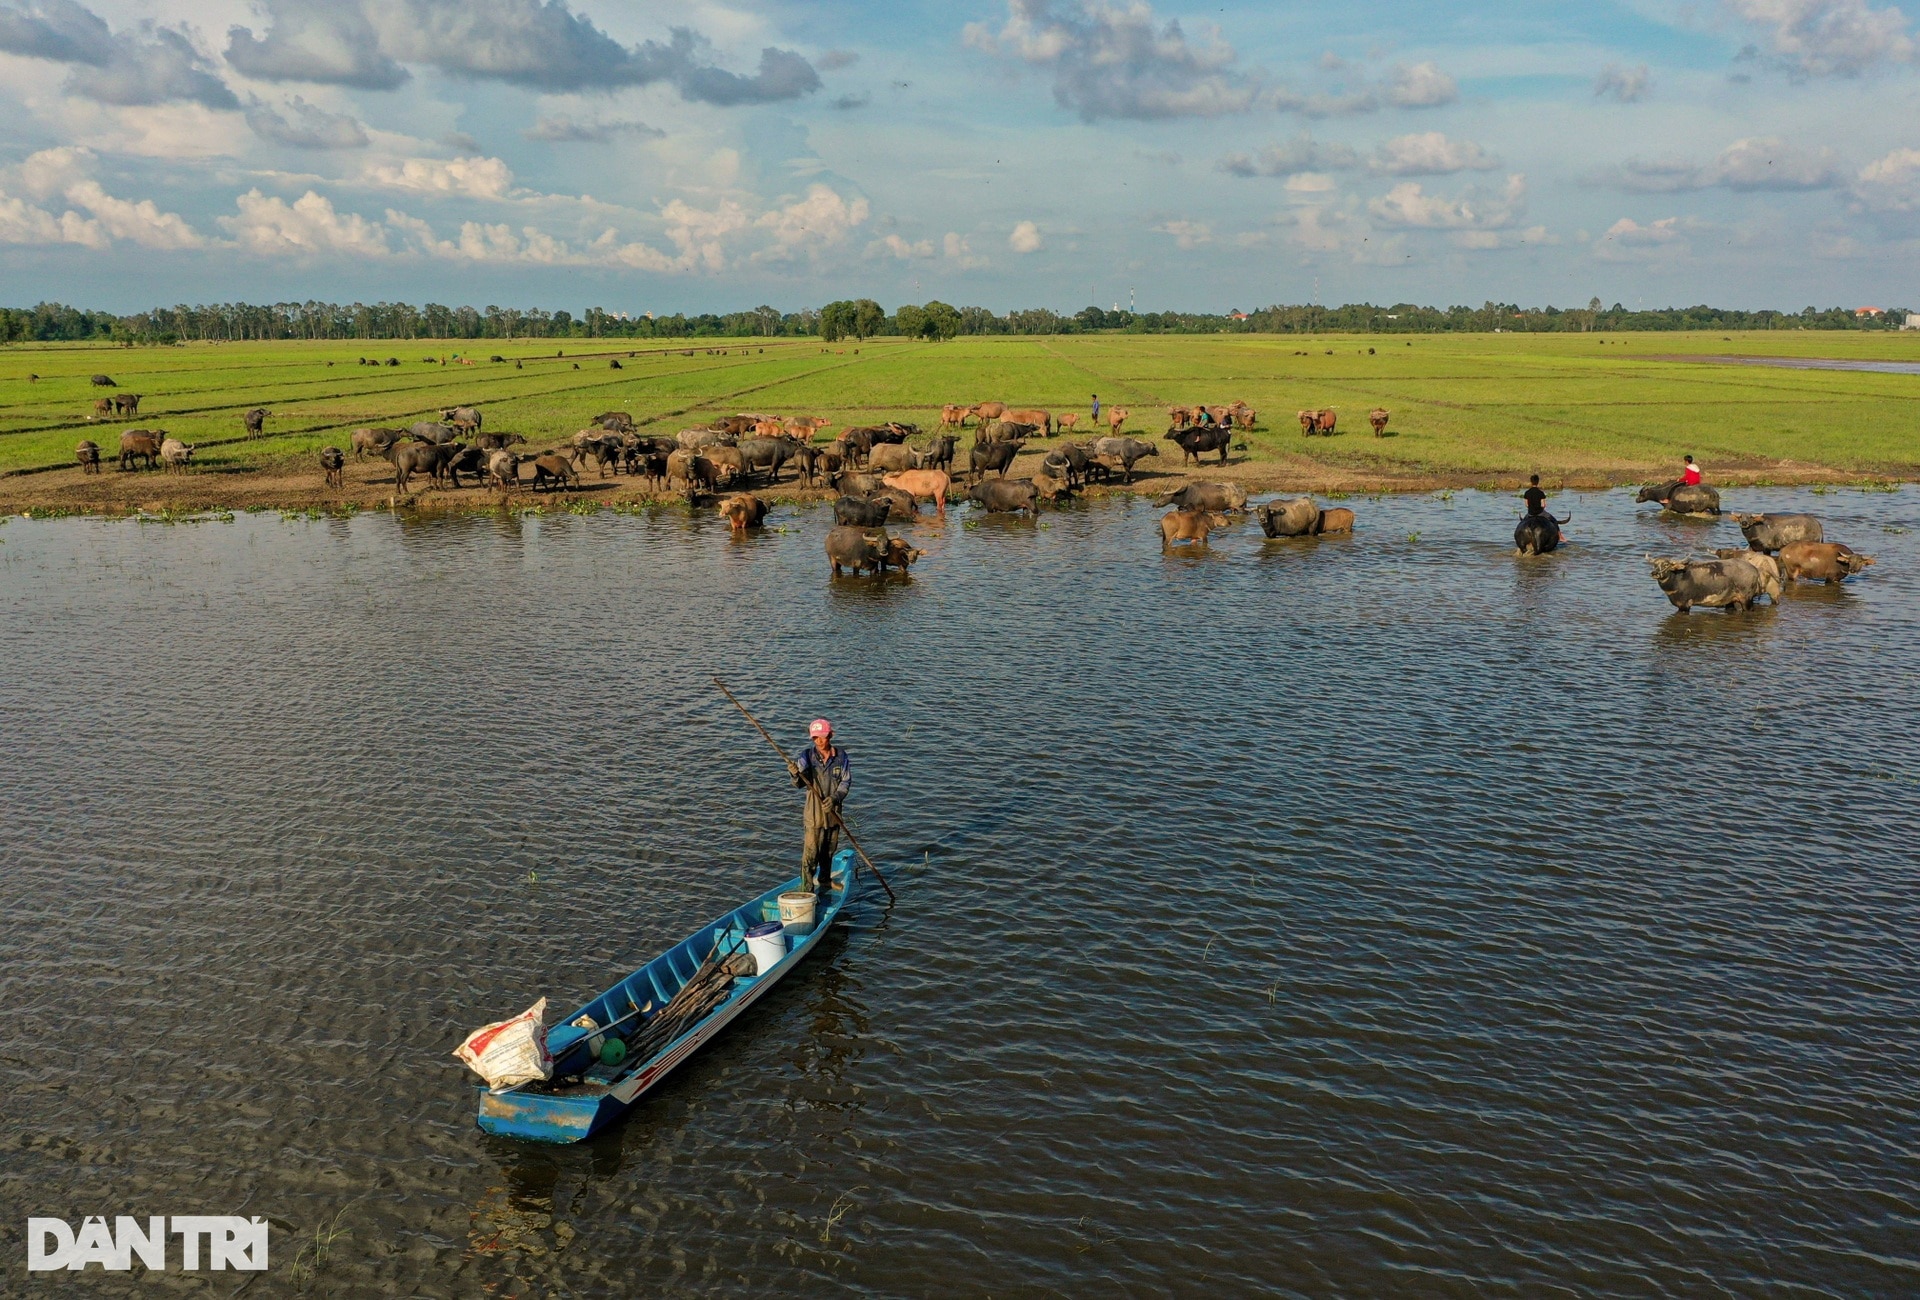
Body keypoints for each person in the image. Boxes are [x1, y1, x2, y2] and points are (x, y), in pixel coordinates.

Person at [792, 719, 850, 896]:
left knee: (829, 850)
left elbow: (846, 782)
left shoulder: (841, 756)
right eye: (815, 738)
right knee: (810, 854)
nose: (819, 741)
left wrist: (835, 798)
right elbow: (799, 783)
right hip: (814, 814)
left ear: (830, 736)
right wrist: (795, 774)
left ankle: (825, 879)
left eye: (822, 737)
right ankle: (807, 890)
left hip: (833, 813)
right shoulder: (806, 756)